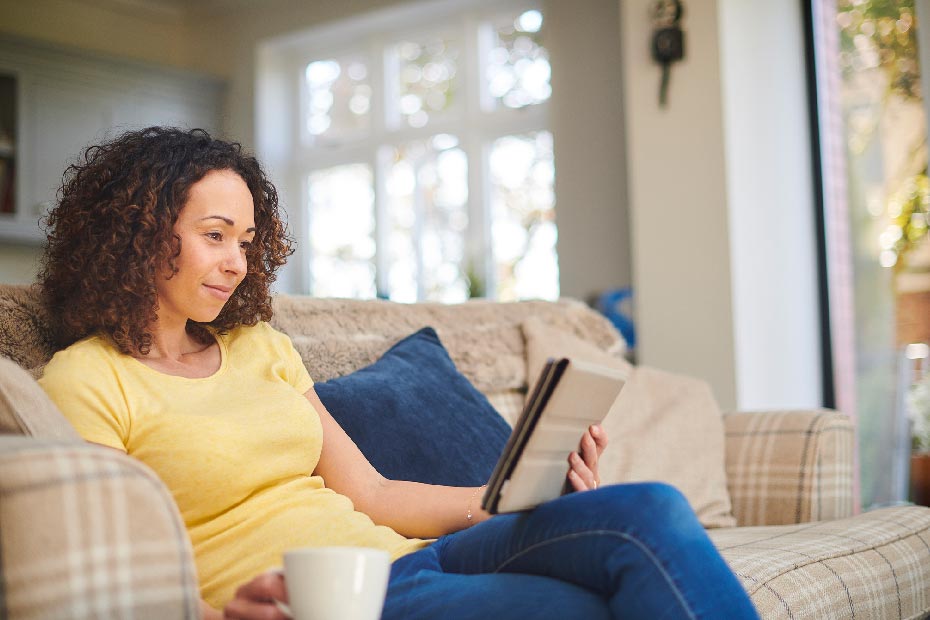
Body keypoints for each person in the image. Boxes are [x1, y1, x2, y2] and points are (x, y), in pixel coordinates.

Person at [37, 126, 758, 620]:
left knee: (650, 509)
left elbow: (373, 494)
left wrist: (517, 497)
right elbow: (104, 568)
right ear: (136, 235)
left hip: (415, 560)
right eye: (215, 236)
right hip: (338, 600)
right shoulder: (87, 382)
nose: (237, 263)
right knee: (581, 610)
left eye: (247, 242)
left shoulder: (259, 347)